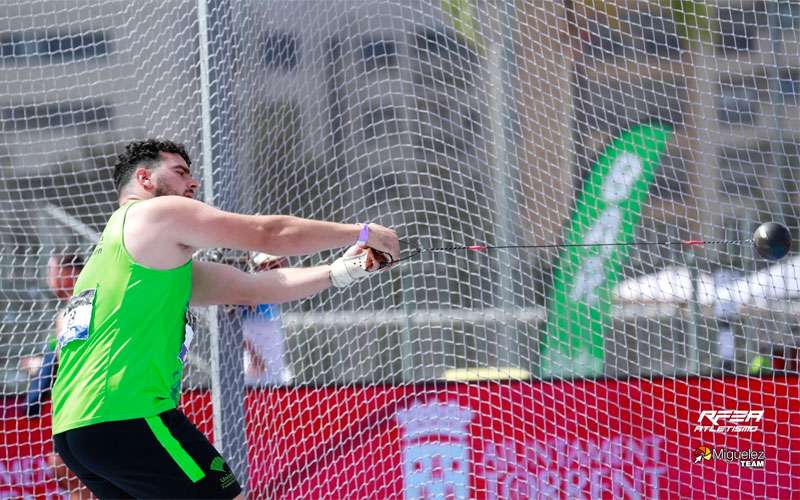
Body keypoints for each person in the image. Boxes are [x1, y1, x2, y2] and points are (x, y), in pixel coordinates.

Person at [50, 138, 400, 499]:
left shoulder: (123, 256)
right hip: (130, 413)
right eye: (180, 172)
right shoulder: (154, 213)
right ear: (145, 179)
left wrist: (347, 269)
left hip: (77, 430)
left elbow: (250, 289)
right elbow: (269, 234)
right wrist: (363, 232)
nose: (193, 183)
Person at [22, 254, 92, 499]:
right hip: (73, 406)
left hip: (87, 405)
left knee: (70, 469)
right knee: (65, 469)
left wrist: (43, 370)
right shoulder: (68, 311)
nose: (48, 278)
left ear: (70, 273)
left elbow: (71, 359)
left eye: (53, 271)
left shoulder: (81, 307)